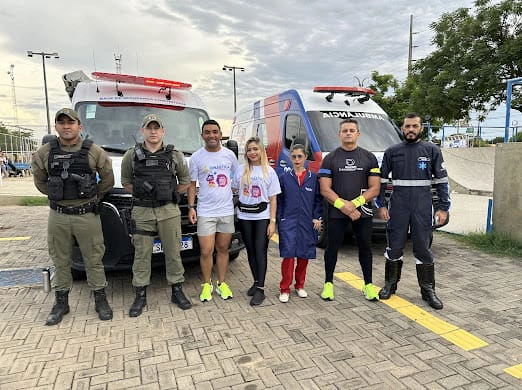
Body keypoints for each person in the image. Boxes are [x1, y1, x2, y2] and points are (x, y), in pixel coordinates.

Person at [31, 108, 114, 325]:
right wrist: (56, 195)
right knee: (60, 261)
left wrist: (93, 196)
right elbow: (40, 180)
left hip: (86, 214)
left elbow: (107, 179)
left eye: (71, 122)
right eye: (62, 122)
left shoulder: (93, 151)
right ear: (56, 126)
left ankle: (100, 300)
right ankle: (61, 303)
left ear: (80, 126)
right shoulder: (45, 152)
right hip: (58, 215)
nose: (66, 126)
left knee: (94, 259)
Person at [377, 112, 450, 310]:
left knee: (423, 248)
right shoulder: (392, 151)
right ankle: (390, 285)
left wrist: (443, 208)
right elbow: (382, 181)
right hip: (399, 205)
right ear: (402, 128)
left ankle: (428, 291)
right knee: (394, 246)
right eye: (407, 126)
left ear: (421, 128)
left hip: (422, 205)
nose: (410, 130)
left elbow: (442, 181)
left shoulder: (431, 150)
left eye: (414, 126)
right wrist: (382, 205)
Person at [121, 114, 192, 316]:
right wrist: (146, 195)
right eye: (149, 128)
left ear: (163, 131)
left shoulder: (174, 154)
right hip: (142, 212)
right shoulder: (131, 155)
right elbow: (126, 182)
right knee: (141, 254)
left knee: (173, 252)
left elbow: (185, 181)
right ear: (142, 131)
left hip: (168, 211)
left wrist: (167, 194)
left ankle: (177, 291)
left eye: (157, 128)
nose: (153, 131)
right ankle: (140, 295)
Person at [318, 118, 381, 301]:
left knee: (365, 248)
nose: (348, 133)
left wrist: (354, 204)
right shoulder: (330, 158)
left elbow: (375, 189)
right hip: (337, 212)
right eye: (344, 130)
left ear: (358, 134)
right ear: (339, 134)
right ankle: (328, 284)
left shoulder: (369, 158)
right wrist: (344, 206)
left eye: (351, 130)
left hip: (363, 212)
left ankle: (368, 285)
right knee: (332, 248)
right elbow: (324, 189)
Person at [187, 119, 238, 302]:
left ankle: (221, 283)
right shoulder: (196, 157)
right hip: (206, 211)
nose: (211, 135)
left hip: (225, 210)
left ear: (220, 134)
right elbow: (192, 185)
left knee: (223, 249)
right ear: (202, 135)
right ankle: (206, 284)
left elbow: (236, 179)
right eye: (207, 132)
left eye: (215, 132)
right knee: (206, 251)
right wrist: (191, 207)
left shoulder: (230, 155)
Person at [232, 137, 281, 306]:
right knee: (251, 251)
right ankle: (255, 281)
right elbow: (234, 189)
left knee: (260, 251)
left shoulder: (269, 171)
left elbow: (273, 199)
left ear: (261, 151)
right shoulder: (240, 170)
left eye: (256, 149)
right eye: (249, 149)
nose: (252, 152)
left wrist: (272, 222)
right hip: (245, 215)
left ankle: (261, 289)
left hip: (262, 216)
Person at [276, 144, 322, 303]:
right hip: (288, 221)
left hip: (306, 222)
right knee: (288, 255)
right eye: (294, 156)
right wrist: (280, 219)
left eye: (299, 156)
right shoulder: (284, 178)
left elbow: (318, 200)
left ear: (305, 158)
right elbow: (279, 201)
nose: (296, 159)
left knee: (304, 254)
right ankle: (284, 288)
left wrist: (316, 217)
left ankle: (300, 285)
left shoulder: (313, 178)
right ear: (290, 158)